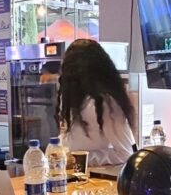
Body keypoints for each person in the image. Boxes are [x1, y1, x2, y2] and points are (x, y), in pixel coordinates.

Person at [56, 39, 136, 167]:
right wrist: (58, 150)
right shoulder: (72, 98)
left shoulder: (106, 103)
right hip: (70, 171)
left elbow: (125, 154)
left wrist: (81, 159)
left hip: (92, 174)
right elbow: (70, 136)